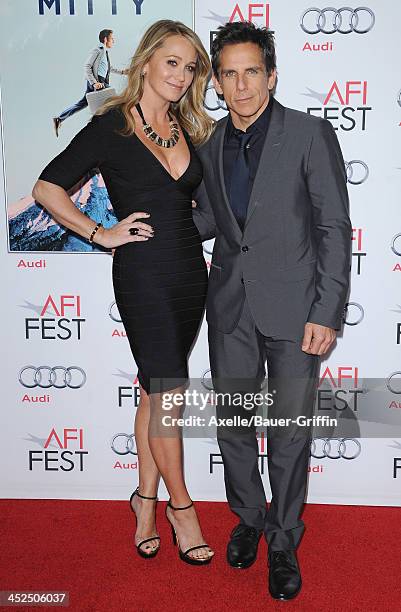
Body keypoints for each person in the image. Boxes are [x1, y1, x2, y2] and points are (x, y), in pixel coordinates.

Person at [33, 20, 215, 565]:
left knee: (154, 392)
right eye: (172, 62)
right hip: (141, 273)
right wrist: (100, 234)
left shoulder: (188, 125)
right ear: (146, 62)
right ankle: (182, 510)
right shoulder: (111, 125)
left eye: (190, 67)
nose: (181, 76)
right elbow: (47, 186)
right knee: (169, 396)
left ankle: (142, 501)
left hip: (188, 274)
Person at [193, 21, 351, 599]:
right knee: (234, 425)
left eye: (251, 72)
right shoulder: (208, 144)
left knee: (287, 432)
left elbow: (333, 225)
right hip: (230, 306)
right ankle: (248, 519)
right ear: (216, 81)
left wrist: (327, 310)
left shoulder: (309, 133)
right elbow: (212, 221)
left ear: (272, 75)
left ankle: (283, 540)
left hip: (295, 310)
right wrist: (156, 220)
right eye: (229, 75)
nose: (241, 86)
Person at [53, 29, 127, 137]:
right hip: (98, 82)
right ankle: (109, 129)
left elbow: (108, 68)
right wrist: (94, 83)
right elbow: (87, 66)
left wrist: (123, 72)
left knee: (82, 104)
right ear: (106, 39)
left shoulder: (105, 52)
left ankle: (59, 119)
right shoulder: (98, 50)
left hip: (98, 82)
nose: (114, 41)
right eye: (112, 38)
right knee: (115, 101)